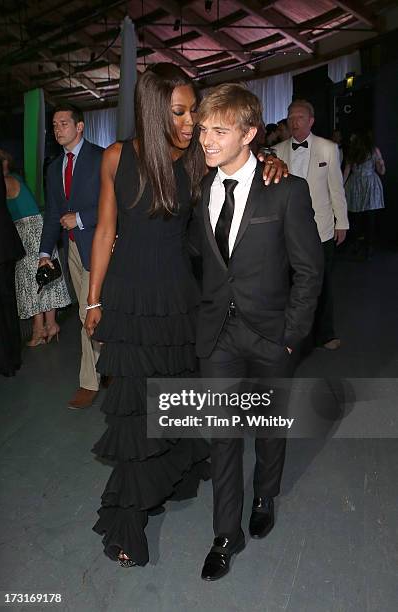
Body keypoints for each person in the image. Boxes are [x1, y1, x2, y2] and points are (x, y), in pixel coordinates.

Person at [84, 64, 287, 568]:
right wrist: (92, 299)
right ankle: (128, 521)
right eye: (179, 111)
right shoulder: (116, 158)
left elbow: (239, 156)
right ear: (153, 110)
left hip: (180, 300)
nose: (190, 121)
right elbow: (105, 231)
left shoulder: (197, 158)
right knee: (135, 413)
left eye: (194, 110)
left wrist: (270, 160)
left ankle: (170, 476)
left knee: (176, 397)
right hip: (130, 301)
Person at [192, 84, 323, 581]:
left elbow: (309, 271)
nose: (205, 139)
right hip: (217, 335)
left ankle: (266, 491)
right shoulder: (200, 186)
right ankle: (227, 533)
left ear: (249, 134)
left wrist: (292, 334)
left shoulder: (286, 189)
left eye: (218, 131)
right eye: (203, 129)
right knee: (221, 436)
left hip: (271, 333)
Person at [39, 104, 104, 408]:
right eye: (54, 125)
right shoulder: (53, 167)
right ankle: (109, 366)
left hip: (99, 245)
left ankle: (90, 381)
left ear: (79, 127)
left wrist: (79, 218)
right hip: (71, 249)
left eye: (64, 123)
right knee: (89, 311)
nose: (57, 129)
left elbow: (113, 204)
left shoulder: (101, 157)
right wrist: (44, 252)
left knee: (86, 313)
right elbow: (52, 214)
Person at [274, 99, 349, 350]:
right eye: (291, 118)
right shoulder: (277, 151)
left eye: (300, 118)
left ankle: (326, 333)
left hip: (322, 228)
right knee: (289, 284)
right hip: (287, 231)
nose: (294, 122)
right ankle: (294, 335)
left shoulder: (328, 148)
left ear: (311, 121)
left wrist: (342, 222)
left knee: (324, 282)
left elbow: (336, 188)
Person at [0, 148, 70, 346]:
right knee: (44, 278)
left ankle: (39, 330)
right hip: (37, 227)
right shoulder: (14, 177)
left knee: (31, 282)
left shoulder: (5, 182)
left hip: (27, 231)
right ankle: (50, 325)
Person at [0, 157, 25, 376]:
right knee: (8, 302)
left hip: (0, 246)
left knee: (2, 305)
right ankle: (13, 357)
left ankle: (5, 362)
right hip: (5, 242)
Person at [344, 130, 385, 260]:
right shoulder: (371, 150)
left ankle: (360, 245)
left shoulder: (358, 151)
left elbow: (346, 171)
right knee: (366, 218)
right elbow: (381, 171)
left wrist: (340, 187)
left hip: (360, 184)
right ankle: (366, 247)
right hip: (365, 184)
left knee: (357, 217)